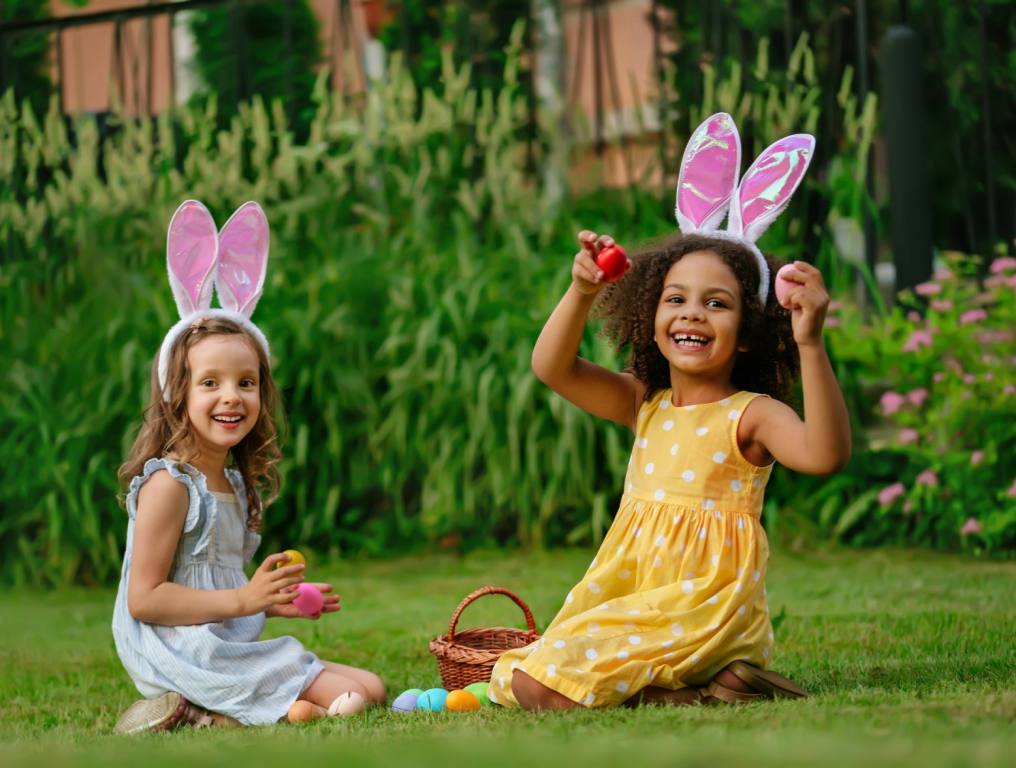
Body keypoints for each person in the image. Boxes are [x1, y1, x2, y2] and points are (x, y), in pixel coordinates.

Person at [488, 114, 850, 710]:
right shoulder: (645, 404)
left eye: (717, 304)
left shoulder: (750, 416)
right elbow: (552, 367)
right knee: (527, 675)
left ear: (752, 332)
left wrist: (810, 342)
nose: (692, 315)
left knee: (536, 685)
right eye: (675, 300)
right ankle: (718, 686)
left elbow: (826, 456)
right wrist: (581, 292)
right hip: (636, 602)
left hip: (705, 610)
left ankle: (697, 687)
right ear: (650, 316)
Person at [112, 201, 385, 733]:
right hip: (182, 652)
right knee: (358, 693)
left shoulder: (233, 483)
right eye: (209, 383)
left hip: (216, 643)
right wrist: (244, 598)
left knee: (369, 688)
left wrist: (269, 604)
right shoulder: (169, 485)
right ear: (177, 394)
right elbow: (145, 600)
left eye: (246, 382)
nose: (230, 397)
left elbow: (219, 585)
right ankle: (196, 707)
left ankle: (207, 714)